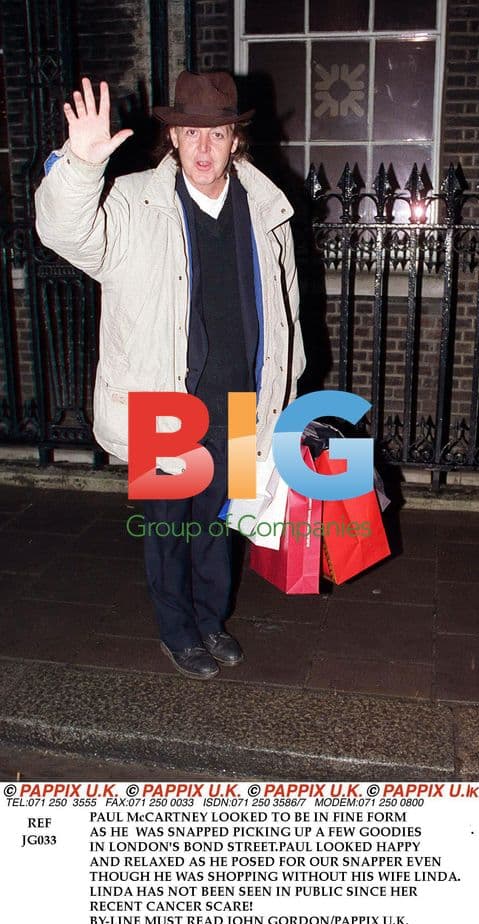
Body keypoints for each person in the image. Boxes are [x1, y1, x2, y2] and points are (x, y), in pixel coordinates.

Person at [35, 70, 305, 680]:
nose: (203, 148)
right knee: (167, 528)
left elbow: (286, 312)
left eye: (217, 133)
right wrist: (78, 167)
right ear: (174, 139)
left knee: (218, 526)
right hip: (164, 401)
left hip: (239, 401)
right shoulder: (133, 203)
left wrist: (284, 397)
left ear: (236, 138)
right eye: (190, 133)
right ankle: (177, 631)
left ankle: (211, 619)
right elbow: (63, 232)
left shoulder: (266, 208)